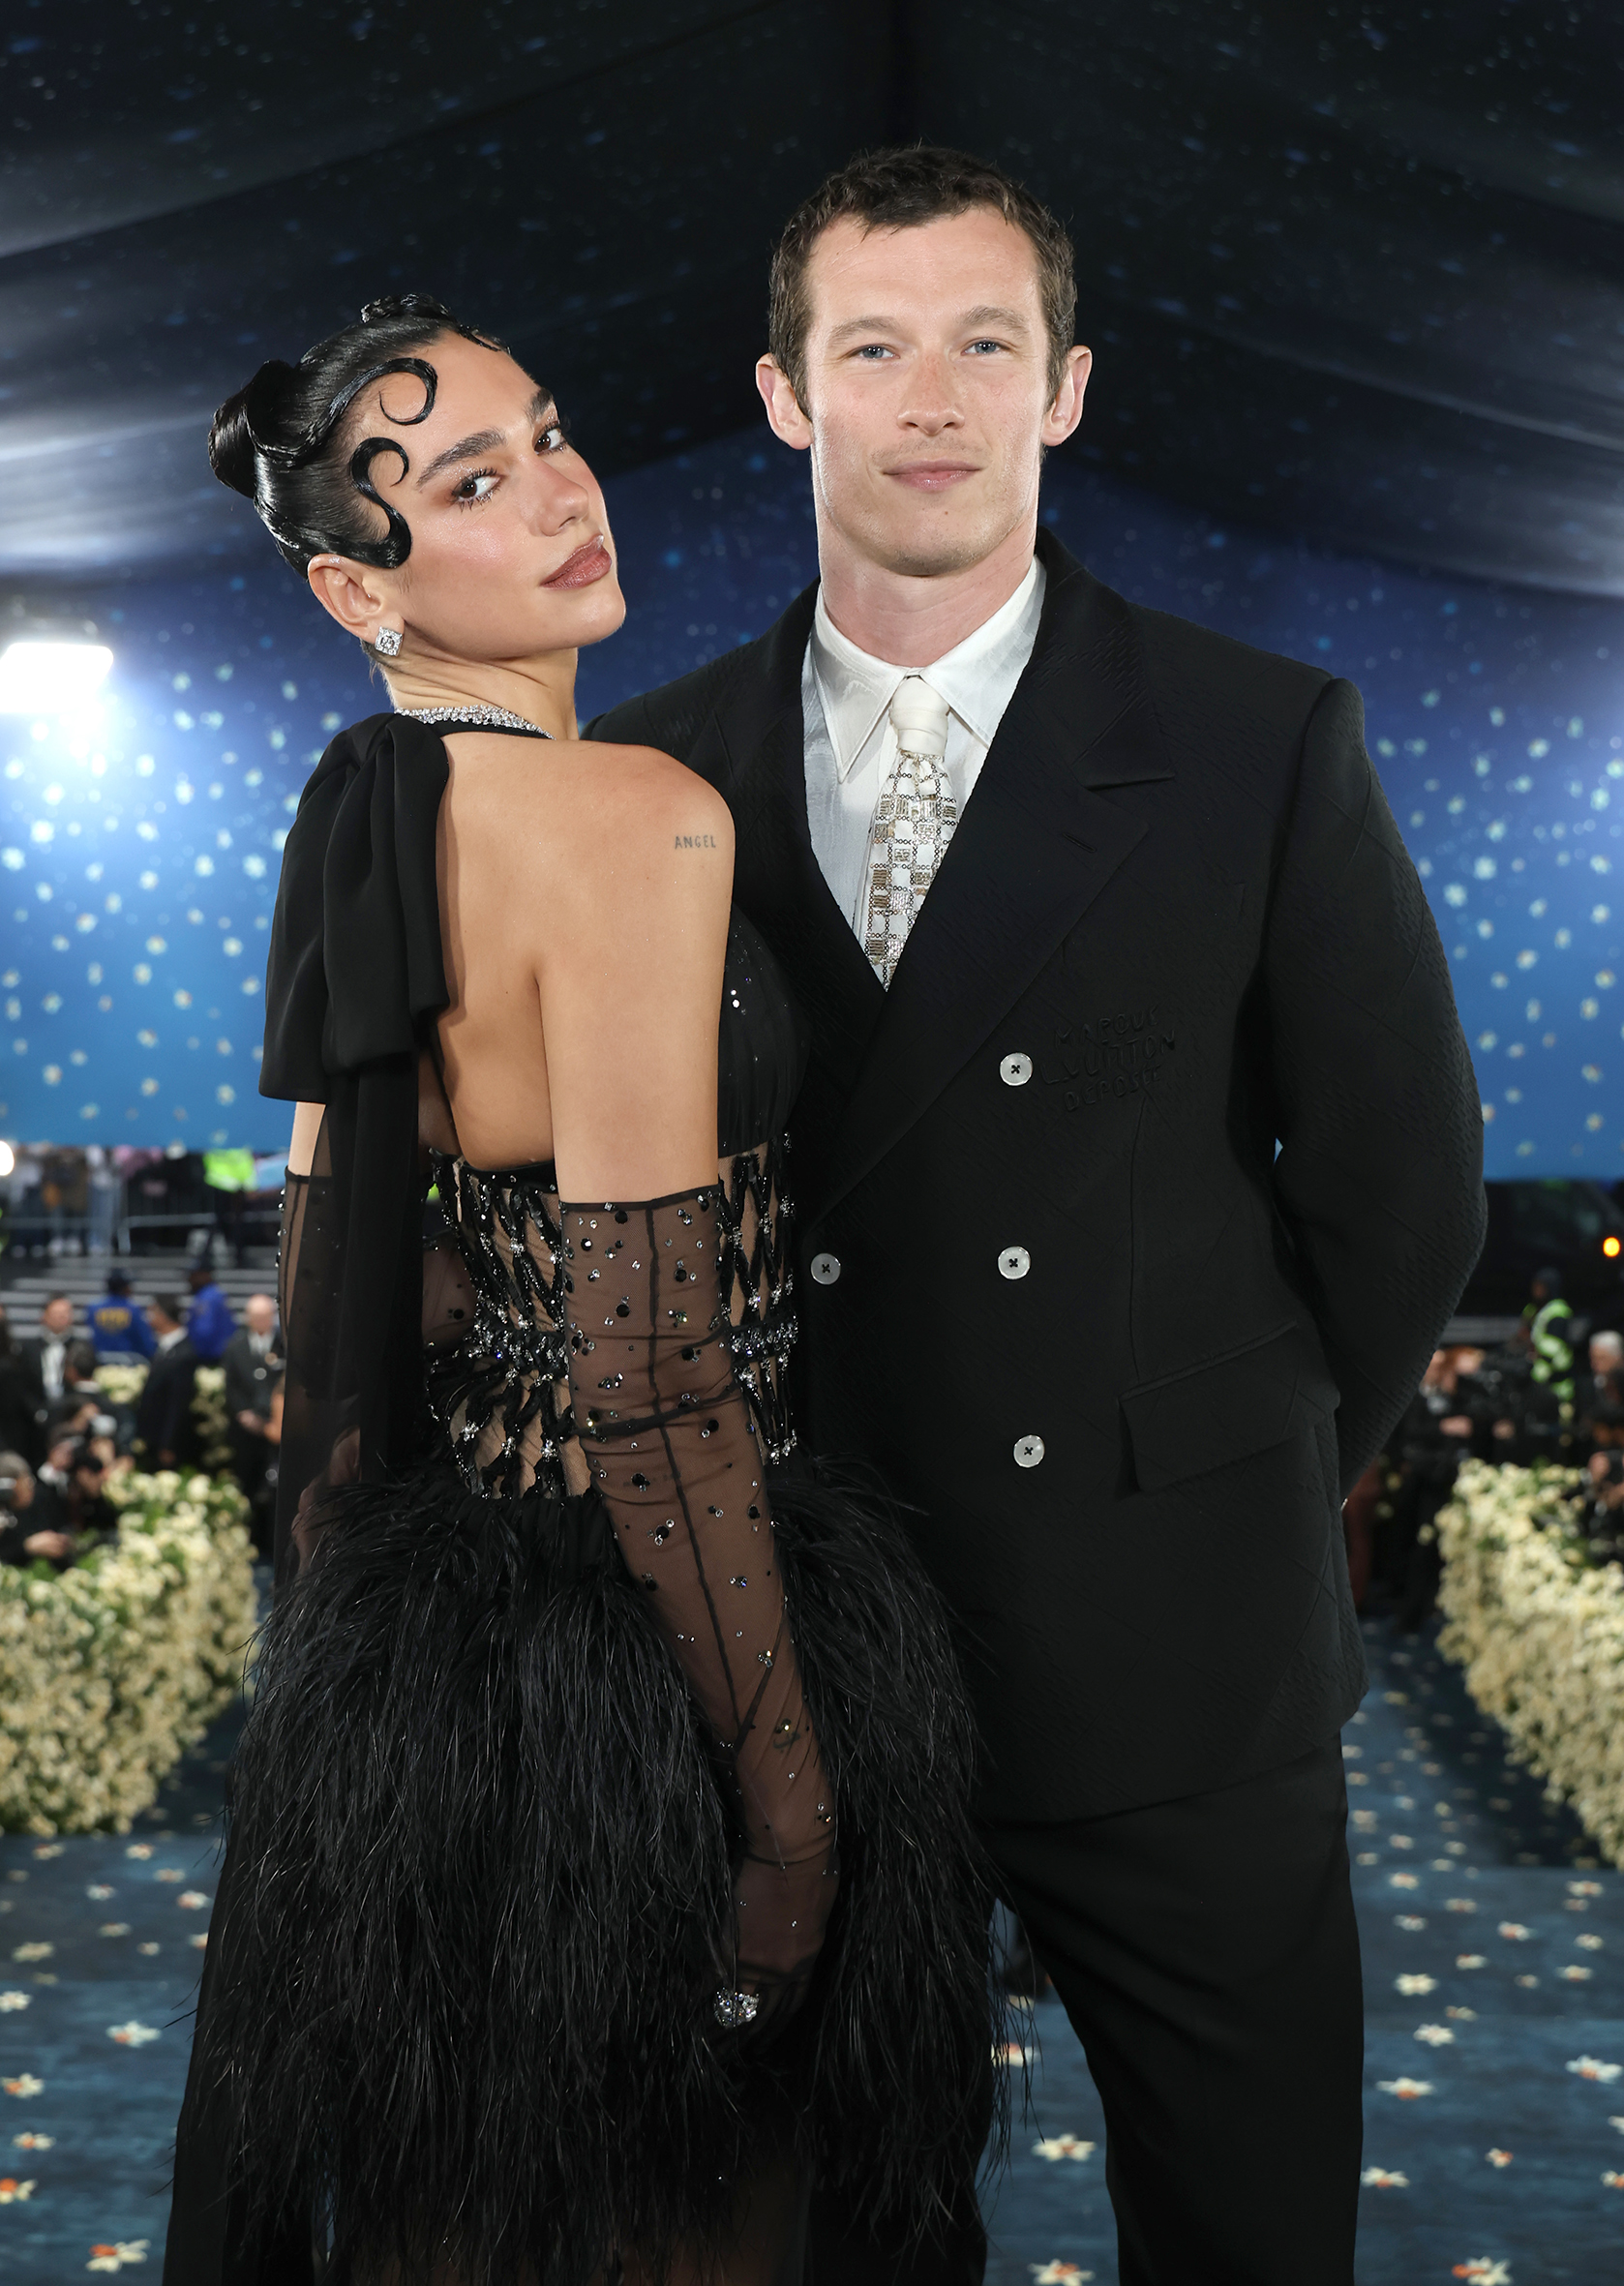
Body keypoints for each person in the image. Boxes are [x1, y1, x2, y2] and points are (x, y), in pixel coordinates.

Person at [587, 145, 1488, 2286]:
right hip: (802, 1668)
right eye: (872, 347)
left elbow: (1401, 1195)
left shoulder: (1258, 736)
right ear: (782, 395)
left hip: (1179, 1650)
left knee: (1248, 2237)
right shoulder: (650, 772)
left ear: (1063, 388)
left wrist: (1238, 1468)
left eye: (984, 344)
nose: (931, 398)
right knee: (834, 2243)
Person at [164, 291, 999, 2286]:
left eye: (544, 433)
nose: (557, 492)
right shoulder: (633, 817)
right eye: (468, 481)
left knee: (452, 2218)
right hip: (661, 1664)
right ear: (356, 592)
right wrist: (789, 1818)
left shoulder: (370, 815)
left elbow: (367, 1298)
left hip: (438, 1673)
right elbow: (653, 1382)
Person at [222, 1292, 283, 1549]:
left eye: (264, 1316)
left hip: (277, 1430)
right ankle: (248, 1540)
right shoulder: (235, 1347)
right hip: (245, 1432)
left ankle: (272, 1543)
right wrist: (244, 1413)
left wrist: (273, 1421)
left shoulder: (284, 1345)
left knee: (275, 1488)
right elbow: (231, 1386)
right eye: (255, 1316)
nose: (259, 1321)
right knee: (247, 1484)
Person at [135, 1294, 199, 1470]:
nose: (148, 1319)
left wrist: (168, 1444)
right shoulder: (164, 1348)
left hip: (168, 1444)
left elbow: (178, 1404)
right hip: (154, 1438)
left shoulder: (184, 1354)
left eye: (152, 1313)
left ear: (163, 1316)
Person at [0, 1450, 75, 1569]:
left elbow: (60, 1526)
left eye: (29, 1482)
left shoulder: (42, 1498)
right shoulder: (4, 1512)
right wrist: (27, 1547)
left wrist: (61, 1539)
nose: (29, 1488)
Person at [86, 1267, 157, 1361]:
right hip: (129, 1363)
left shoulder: (93, 1308)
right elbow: (146, 1344)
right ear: (124, 1288)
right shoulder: (133, 1310)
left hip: (100, 1361)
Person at [185, 1259, 234, 1363]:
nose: (189, 1279)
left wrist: (190, 1349)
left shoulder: (208, 1297)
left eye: (193, 1275)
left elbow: (204, 1331)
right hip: (219, 1353)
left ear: (204, 1275)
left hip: (211, 1357)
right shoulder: (214, 1294)